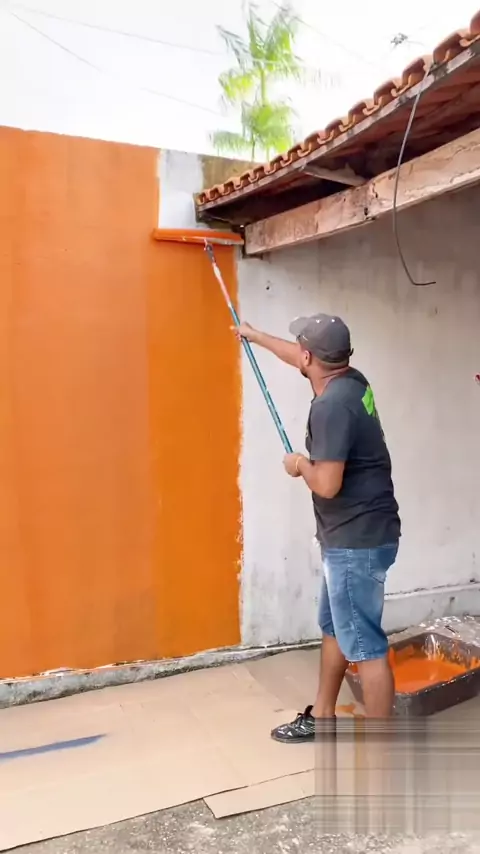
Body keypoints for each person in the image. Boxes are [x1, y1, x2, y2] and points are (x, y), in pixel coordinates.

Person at [234, 313, 401, 742]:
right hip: (356, 534)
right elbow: (300, 357)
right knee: (335, 627)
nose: (298, 353)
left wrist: (299, 464)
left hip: (356, 541)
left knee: (365, 645)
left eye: (301, 348)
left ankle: (383, 753)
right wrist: (255, 336)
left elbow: (327, 484)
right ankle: (323, 717)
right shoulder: (351, 380)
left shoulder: (331, 407)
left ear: (312, 357)